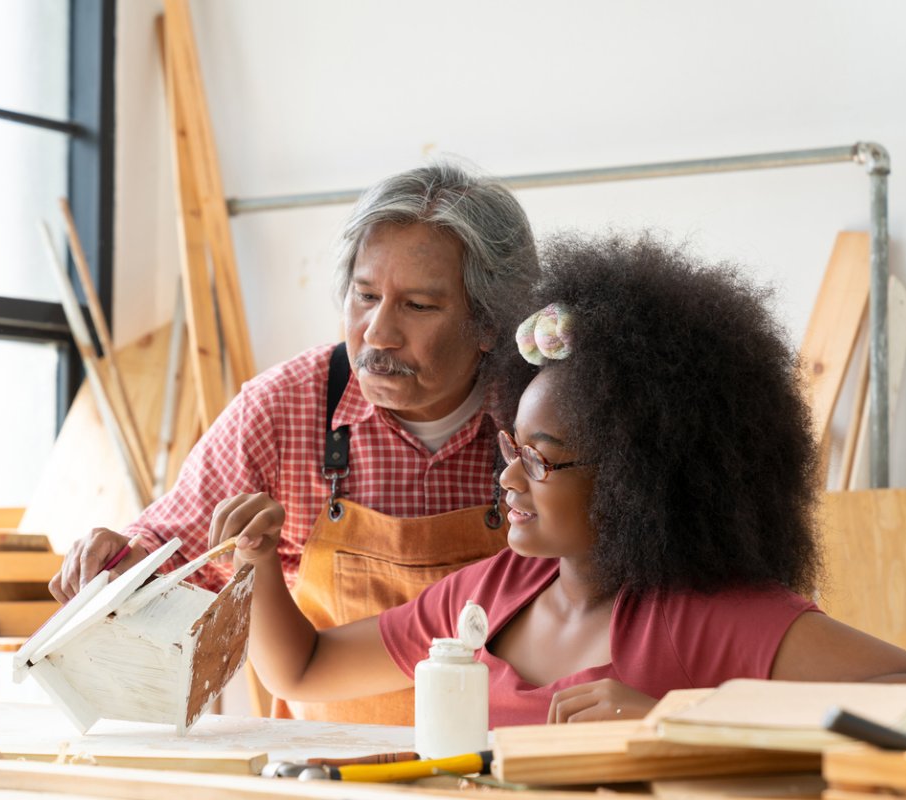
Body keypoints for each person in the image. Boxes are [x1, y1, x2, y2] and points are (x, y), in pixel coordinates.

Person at [216, 232, 906, 726]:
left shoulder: (707, 617)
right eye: (512, 444)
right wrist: (257, 567)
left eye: (540, 457)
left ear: (637, 480)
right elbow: (305, 670)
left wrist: (680, 721)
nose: (509, 475)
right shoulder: (491, 593)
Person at [49, 159, 540, 723]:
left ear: (490, 325)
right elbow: (175, 555)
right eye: (364, 297)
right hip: (325, 765)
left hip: (503, 764)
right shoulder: (286, 408)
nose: (377, 333)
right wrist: (120, 564)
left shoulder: (539, 415)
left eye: (418, 306)